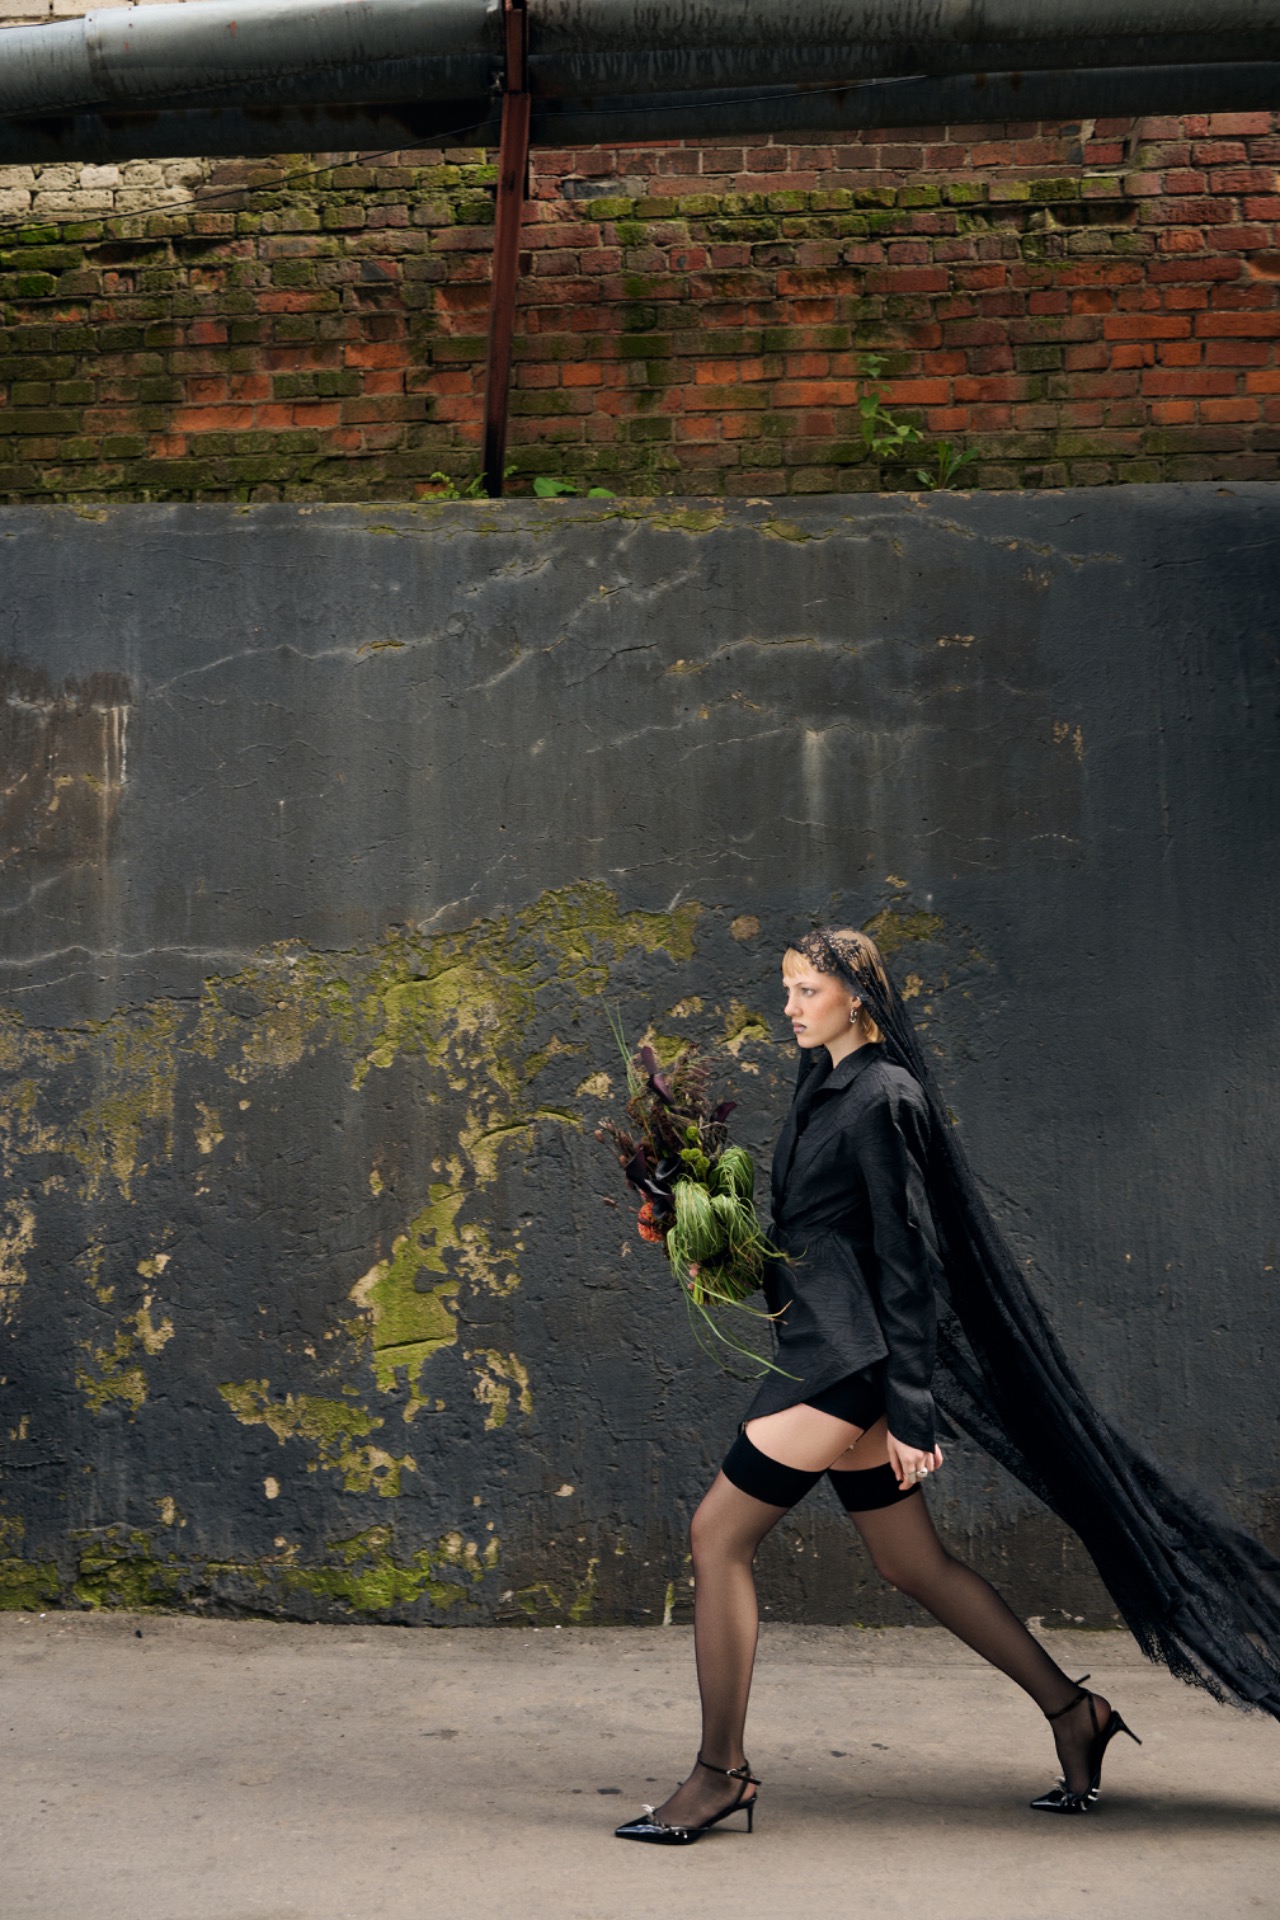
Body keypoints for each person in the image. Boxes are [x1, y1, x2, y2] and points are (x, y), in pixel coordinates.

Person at [616, 925, 1280, 1845]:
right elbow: (822, 1237)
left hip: (847, 1364)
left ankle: (720, 1774)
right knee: (911, 1565)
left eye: (807, 990)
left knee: (716, 1537)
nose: (790, 1006)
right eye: (788, 988)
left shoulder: (885, 1097)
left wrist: (912, 1412)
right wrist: (715, 1246)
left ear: (857, 995)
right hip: (823, 1344)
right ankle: (1076, 1713)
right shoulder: (822, 1084)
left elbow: (907, 1262)